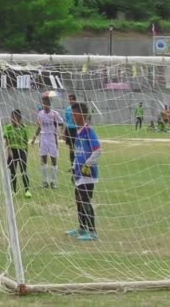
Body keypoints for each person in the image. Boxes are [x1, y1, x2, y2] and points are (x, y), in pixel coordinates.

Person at [66, 102, 102, 241]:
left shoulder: (88, 131)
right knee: (78, 200)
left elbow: (98, 150)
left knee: (85, 200)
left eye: (75, 114)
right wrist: (75, 166)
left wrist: (87, 165)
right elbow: (78, 152)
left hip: (88, 173)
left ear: (82, 114)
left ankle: (92, 232)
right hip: (79, 173)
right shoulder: (79, 132)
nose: (73, 117)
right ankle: (82, 228)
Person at [31, 96, 64, 189]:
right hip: (43, 138)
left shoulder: (55, 114)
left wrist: (61, 133)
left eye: (46, 103)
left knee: (54, 160)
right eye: (43, 103)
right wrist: (34, 138)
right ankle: (45, 181)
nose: (45, 105)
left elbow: (62, 124)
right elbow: (39, 127)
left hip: (53, 138)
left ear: (49, 104)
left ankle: (53, 182)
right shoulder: (40, 114)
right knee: (43, 159)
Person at [4, 109, 31, 198]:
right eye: (11, 117)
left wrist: (26, 152)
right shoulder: (8, 127)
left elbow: (25, 141)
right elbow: (7, 141)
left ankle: (27, 190)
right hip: (12, 151)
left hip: (21, 151)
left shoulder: (23, 128)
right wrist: (9, 151)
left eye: (14, 117)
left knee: (24, 171)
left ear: (19, 118)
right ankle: (13, 190)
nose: (12, 119)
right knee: (12, 172)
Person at [64, 94, 78, 167]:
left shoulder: (79, 108)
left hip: (76, 129)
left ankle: (78, 164)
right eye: (69, 100)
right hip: (69, 129)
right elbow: (66, 120)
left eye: (71, 99)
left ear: (75, 100)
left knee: (77, 147)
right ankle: (72, 165)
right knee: (71, 148)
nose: (70, 101)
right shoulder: (68, 109)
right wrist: (64, 132)